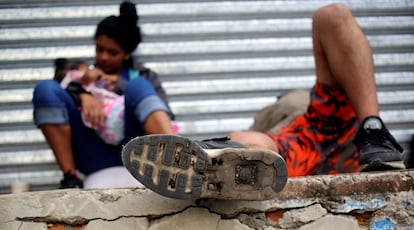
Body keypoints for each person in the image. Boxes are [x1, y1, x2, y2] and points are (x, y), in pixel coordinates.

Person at [122, 3, 406, 201]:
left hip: (341, 144)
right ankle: (214, 160)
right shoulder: (315, 116)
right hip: (305, 147)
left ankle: (374, 131)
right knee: (255, 148)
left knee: (331, 15)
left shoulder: (332, 108)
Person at [32, 1, 174, 189]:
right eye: (100, 49)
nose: (104, 57)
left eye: (112, 52)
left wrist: (122, 85)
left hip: (136, 154)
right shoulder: (84, 73)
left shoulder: (145, 76)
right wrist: (83, 92)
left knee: (139, 86)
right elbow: (57, 95)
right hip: (93, 155)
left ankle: (175, 162)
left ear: (126, 53)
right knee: (45, 89)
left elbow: (165, 115)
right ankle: (70, 178)